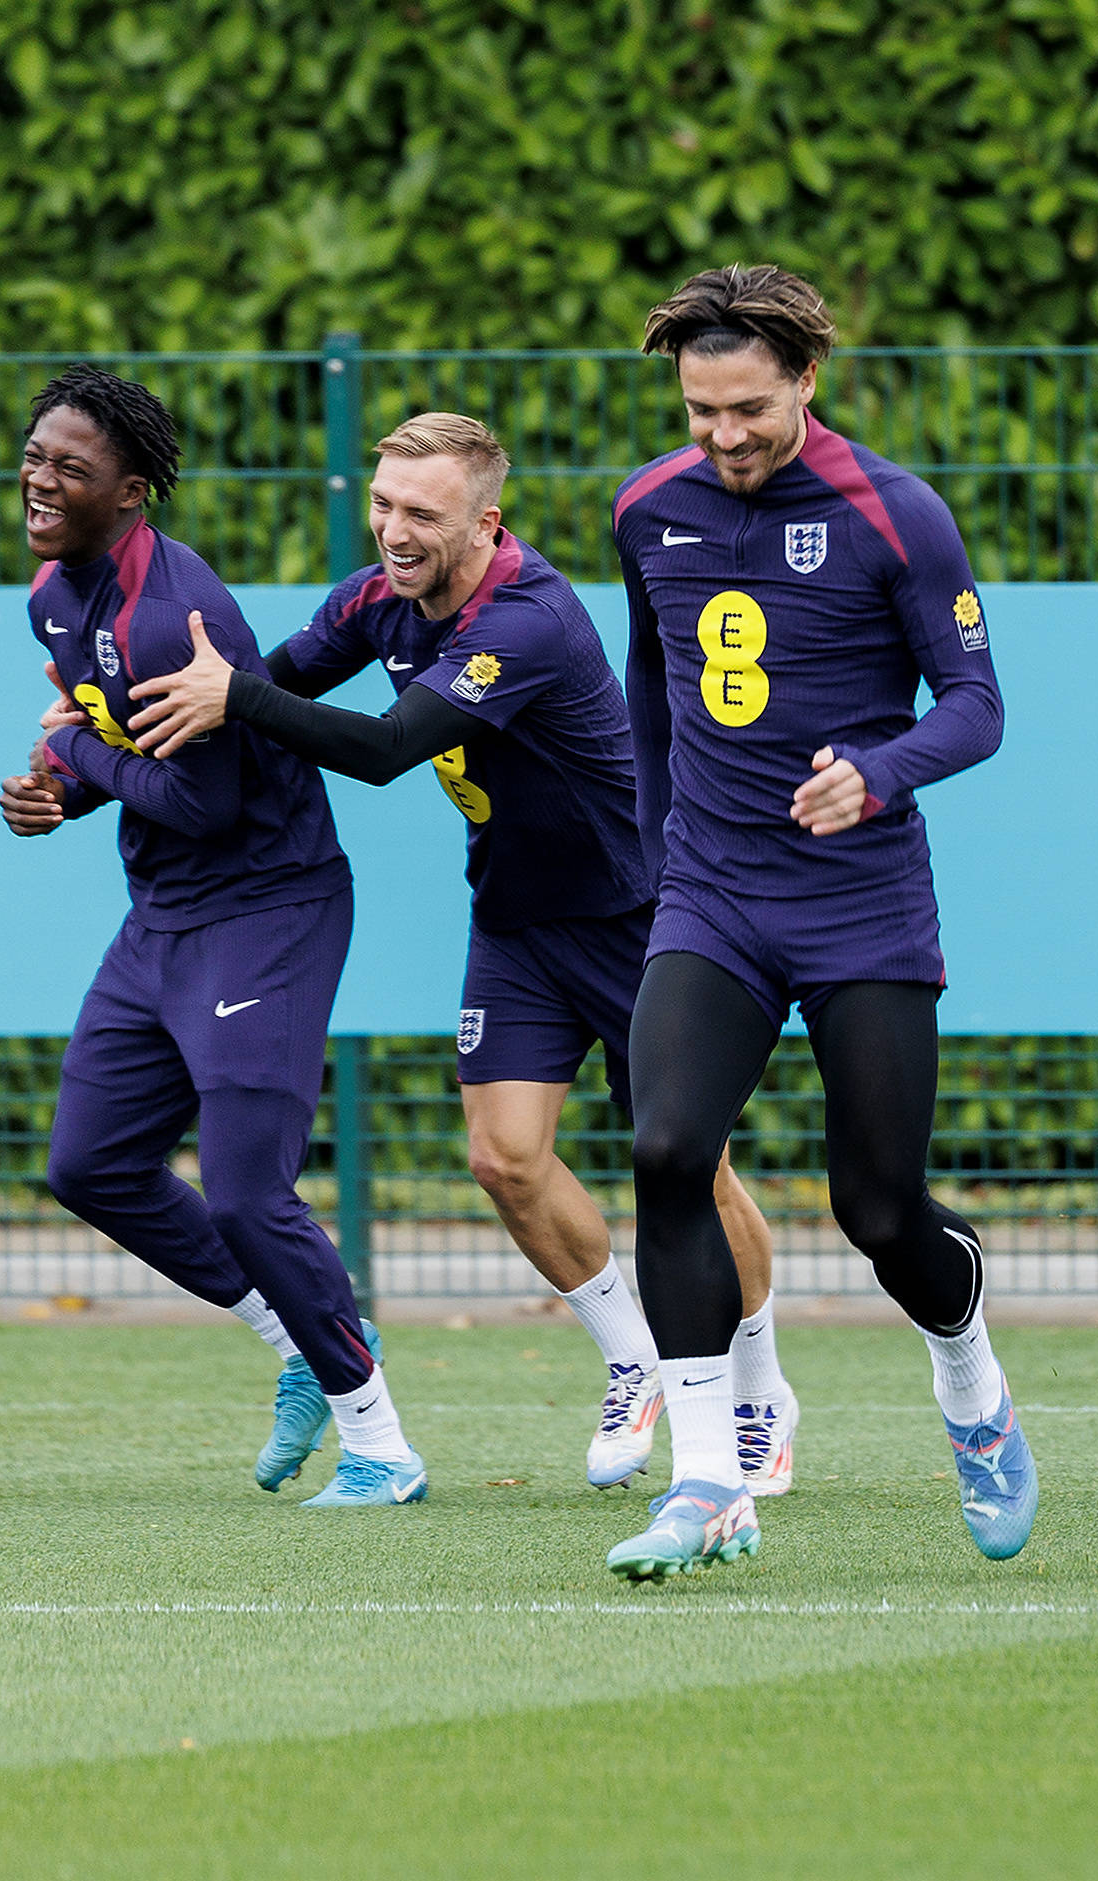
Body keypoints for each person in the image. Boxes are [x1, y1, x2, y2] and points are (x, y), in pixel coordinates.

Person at [123, 412, 799, 1496]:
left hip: (644, 918)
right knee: (502, 1157)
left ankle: (759, 1391)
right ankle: (638, 1359)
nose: (393, 530)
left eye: (422, 514)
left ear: (488, 522)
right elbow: (280, 685)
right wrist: (100, 742)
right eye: (384, 504)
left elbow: (387, 747)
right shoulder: (377, 598)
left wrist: (238, 698)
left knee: (689, 1167)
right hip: (518, 922)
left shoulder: (527, 620)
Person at [600, 264, 1022, 1582]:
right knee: (667, 1148)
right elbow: (654, 690)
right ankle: (711, 1483)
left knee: (879, 1207)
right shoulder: (646, 509)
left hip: (861, 903)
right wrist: (663, 858)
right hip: (714, 898)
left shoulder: (895, 515)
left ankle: (971, 1381)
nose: (720, 436)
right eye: (697, 409)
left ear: (806, 382)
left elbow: (977, 704)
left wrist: (878, 770)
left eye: (746, 408)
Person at [1, 364, 424, 1506]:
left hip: (269, 912)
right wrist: (59, 785)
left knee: (248, 1194)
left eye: (69, 467)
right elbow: (124, 752)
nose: (40, 479)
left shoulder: (170, 615)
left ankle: (381, 1442)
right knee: (88, 1164)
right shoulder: (54, 590)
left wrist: (73, 755)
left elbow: (206, 802)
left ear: (131, 490)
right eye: (36, 456)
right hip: (167, 916)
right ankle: (293, 1334)